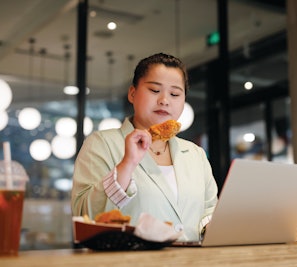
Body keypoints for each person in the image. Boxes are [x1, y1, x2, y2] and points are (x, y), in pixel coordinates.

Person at [71, 53, 218, 241]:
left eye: (174, 94)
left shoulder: (195, 154)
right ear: (132, 93)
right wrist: (127, 164)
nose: (165, 100)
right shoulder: (101, 143)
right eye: (155, 90)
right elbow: (85, 216)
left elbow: (210, 211)